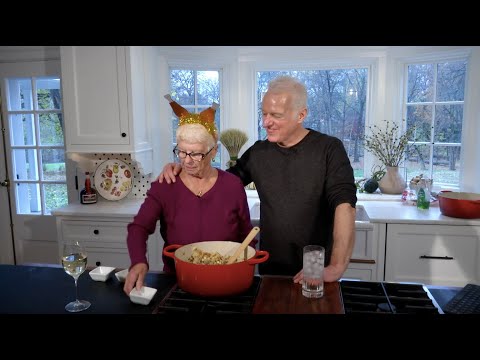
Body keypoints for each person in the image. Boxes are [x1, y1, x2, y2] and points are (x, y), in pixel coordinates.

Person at [158, 75, 357, 283]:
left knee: (313, 305)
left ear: (301, 115)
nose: (266, 122)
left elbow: (345, 206)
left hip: (314, 260)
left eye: (275, 115)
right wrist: (186, 167)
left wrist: (336, 266)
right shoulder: (259, 152)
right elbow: (221, 183)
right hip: (271, 262)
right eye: (264, 114)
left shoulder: (329, 149)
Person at [123, 96, 253, 295]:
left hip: (226, 279)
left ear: (213, 152)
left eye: (196, 154)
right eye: (182, 152)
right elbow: (138, 227)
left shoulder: (233, 185)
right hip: (177, 280)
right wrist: (138, 261)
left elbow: (247, 235)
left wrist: (243, 271)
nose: (187, 161)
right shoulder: (165, 184)